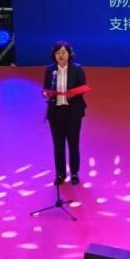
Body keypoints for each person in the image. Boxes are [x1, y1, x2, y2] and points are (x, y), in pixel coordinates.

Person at [43, 40, 88, 186]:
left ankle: (74, 173)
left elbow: (84, 87)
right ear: (54, 55)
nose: (61, 55)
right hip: (56, 113)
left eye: (63, 52)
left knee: (73, 144)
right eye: (58, 53)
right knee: (58, 146)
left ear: (69, 54)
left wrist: (73, 93)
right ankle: (60, 174)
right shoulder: (50, 70)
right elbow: (45, 89)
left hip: (73, 112)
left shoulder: (77, 69)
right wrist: (46, 93)